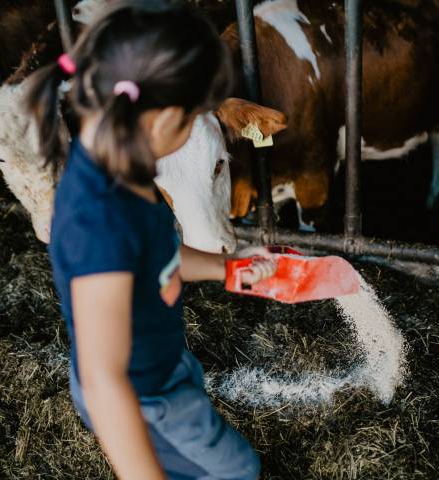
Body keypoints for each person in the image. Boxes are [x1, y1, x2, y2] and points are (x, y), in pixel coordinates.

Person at [25, 1, 275, 478]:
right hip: (142, 397)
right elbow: (102, 382)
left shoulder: (123, 162)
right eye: (191, 119)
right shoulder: (100, 224)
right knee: (237, 471)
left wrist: (231, 266)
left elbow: (157, 253)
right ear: (162, 120)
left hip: (161, 365)